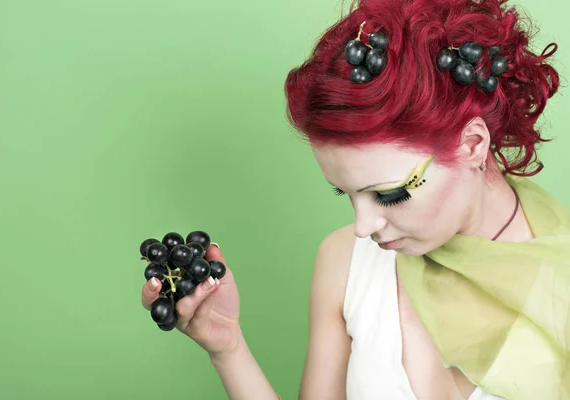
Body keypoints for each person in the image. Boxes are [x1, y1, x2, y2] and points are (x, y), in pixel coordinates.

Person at [141, 0, 570, 398]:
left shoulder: (562, 280)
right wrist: (228, 349)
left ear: (473, 145)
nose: (364, 226)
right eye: (344, 194)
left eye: (389, 193)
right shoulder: (345, 260)